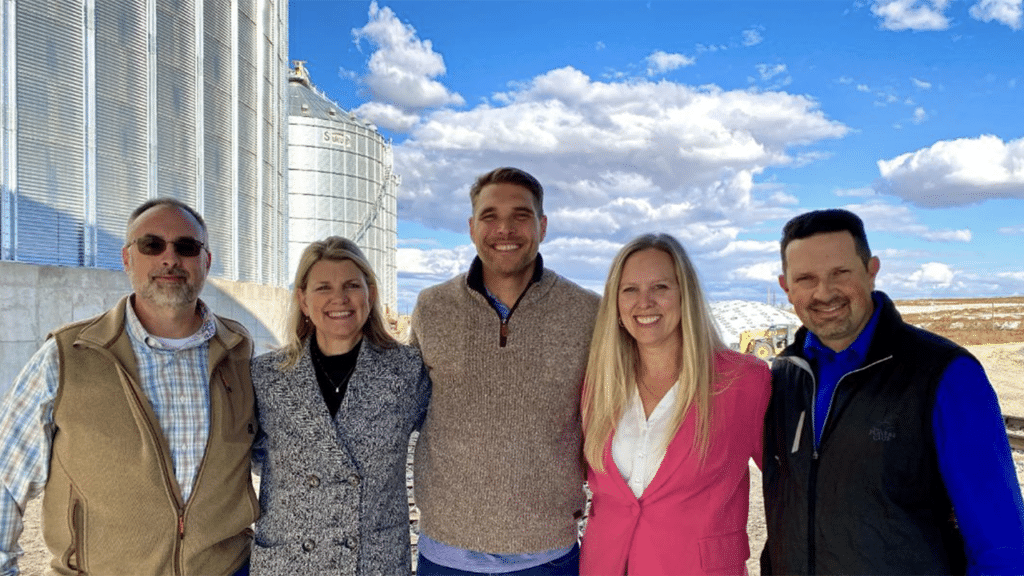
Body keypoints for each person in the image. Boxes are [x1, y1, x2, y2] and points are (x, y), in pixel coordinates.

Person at [0, 198, 258, 575]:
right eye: (152, 245)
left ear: (206, 261)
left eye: (186, 247)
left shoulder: (239, 352)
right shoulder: (67, 357)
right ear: (127, 258)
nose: (170, 258)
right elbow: (6, 483)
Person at [762, 208, 1024, 575]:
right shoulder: (785, 377)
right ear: (786, 288)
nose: (824, 292)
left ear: (871, 271)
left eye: (840, 273)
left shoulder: (944, 374)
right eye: (806, 278)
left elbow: (1001, 542)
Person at [410, 167, 600, 576]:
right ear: (471, 226)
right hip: (446, 551)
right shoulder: (432, 306)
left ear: (542, 226)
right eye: (490, 216)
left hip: (548, 553)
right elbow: (404, 404)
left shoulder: (587, 312)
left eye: (521, 215)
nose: (505, 229)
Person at [578, 233, 771, 576]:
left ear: (686, 296)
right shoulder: (599, 385)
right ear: (616, 305)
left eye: (661, 287)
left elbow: (790, 489)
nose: (644, 302)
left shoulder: (744, 381)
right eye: (630, 290)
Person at [249, 236, 430, 574]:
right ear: (303, 299)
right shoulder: (265, 376)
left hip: (374, 561)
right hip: (289, 561)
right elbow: (248, 455)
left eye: (351, 285)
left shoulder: (408, 371)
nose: (339, 298)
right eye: (323, 288)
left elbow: (448, 440)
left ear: (370, 294)